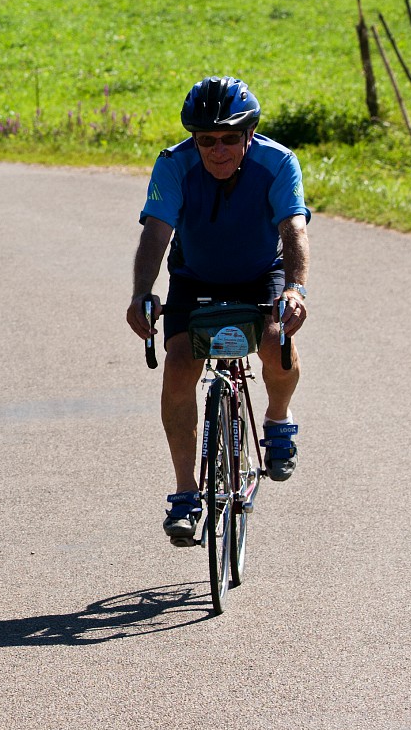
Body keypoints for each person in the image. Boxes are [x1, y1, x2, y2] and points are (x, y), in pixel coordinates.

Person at [123, 76, 308, 547]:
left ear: (249, 134)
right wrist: (142, 292)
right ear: (194, 139)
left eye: (230, 138)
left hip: (261, 272)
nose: (218, 149)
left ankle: (279, 419)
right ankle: (186, 493)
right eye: (207, 140)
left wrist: (296, 289)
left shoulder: (278, 162)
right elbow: (156, 234)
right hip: (195, 277)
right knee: (180, 365)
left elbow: (293, 229)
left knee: (275, 342)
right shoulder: (173, 164)